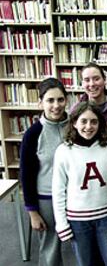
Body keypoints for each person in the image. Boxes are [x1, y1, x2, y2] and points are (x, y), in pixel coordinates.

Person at [52, 101, 107, 266]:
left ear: (100, 123)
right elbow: (58, 191)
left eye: (94, 121)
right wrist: (61, 223)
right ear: (74, 123)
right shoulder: (64, 151)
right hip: (78, 221)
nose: (88, 126)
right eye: (83, 121)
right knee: (86, 262)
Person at [19, 78, 69, 266]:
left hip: (74, 196)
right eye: (50, 100)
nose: (56, 105)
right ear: (40, 102)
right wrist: (32, 211)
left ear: (67, 100)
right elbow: (26, 175)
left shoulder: (76, 126)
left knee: (81, 244)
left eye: (60, 100)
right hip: (46, 199)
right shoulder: (33, 134)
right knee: (51, 247)